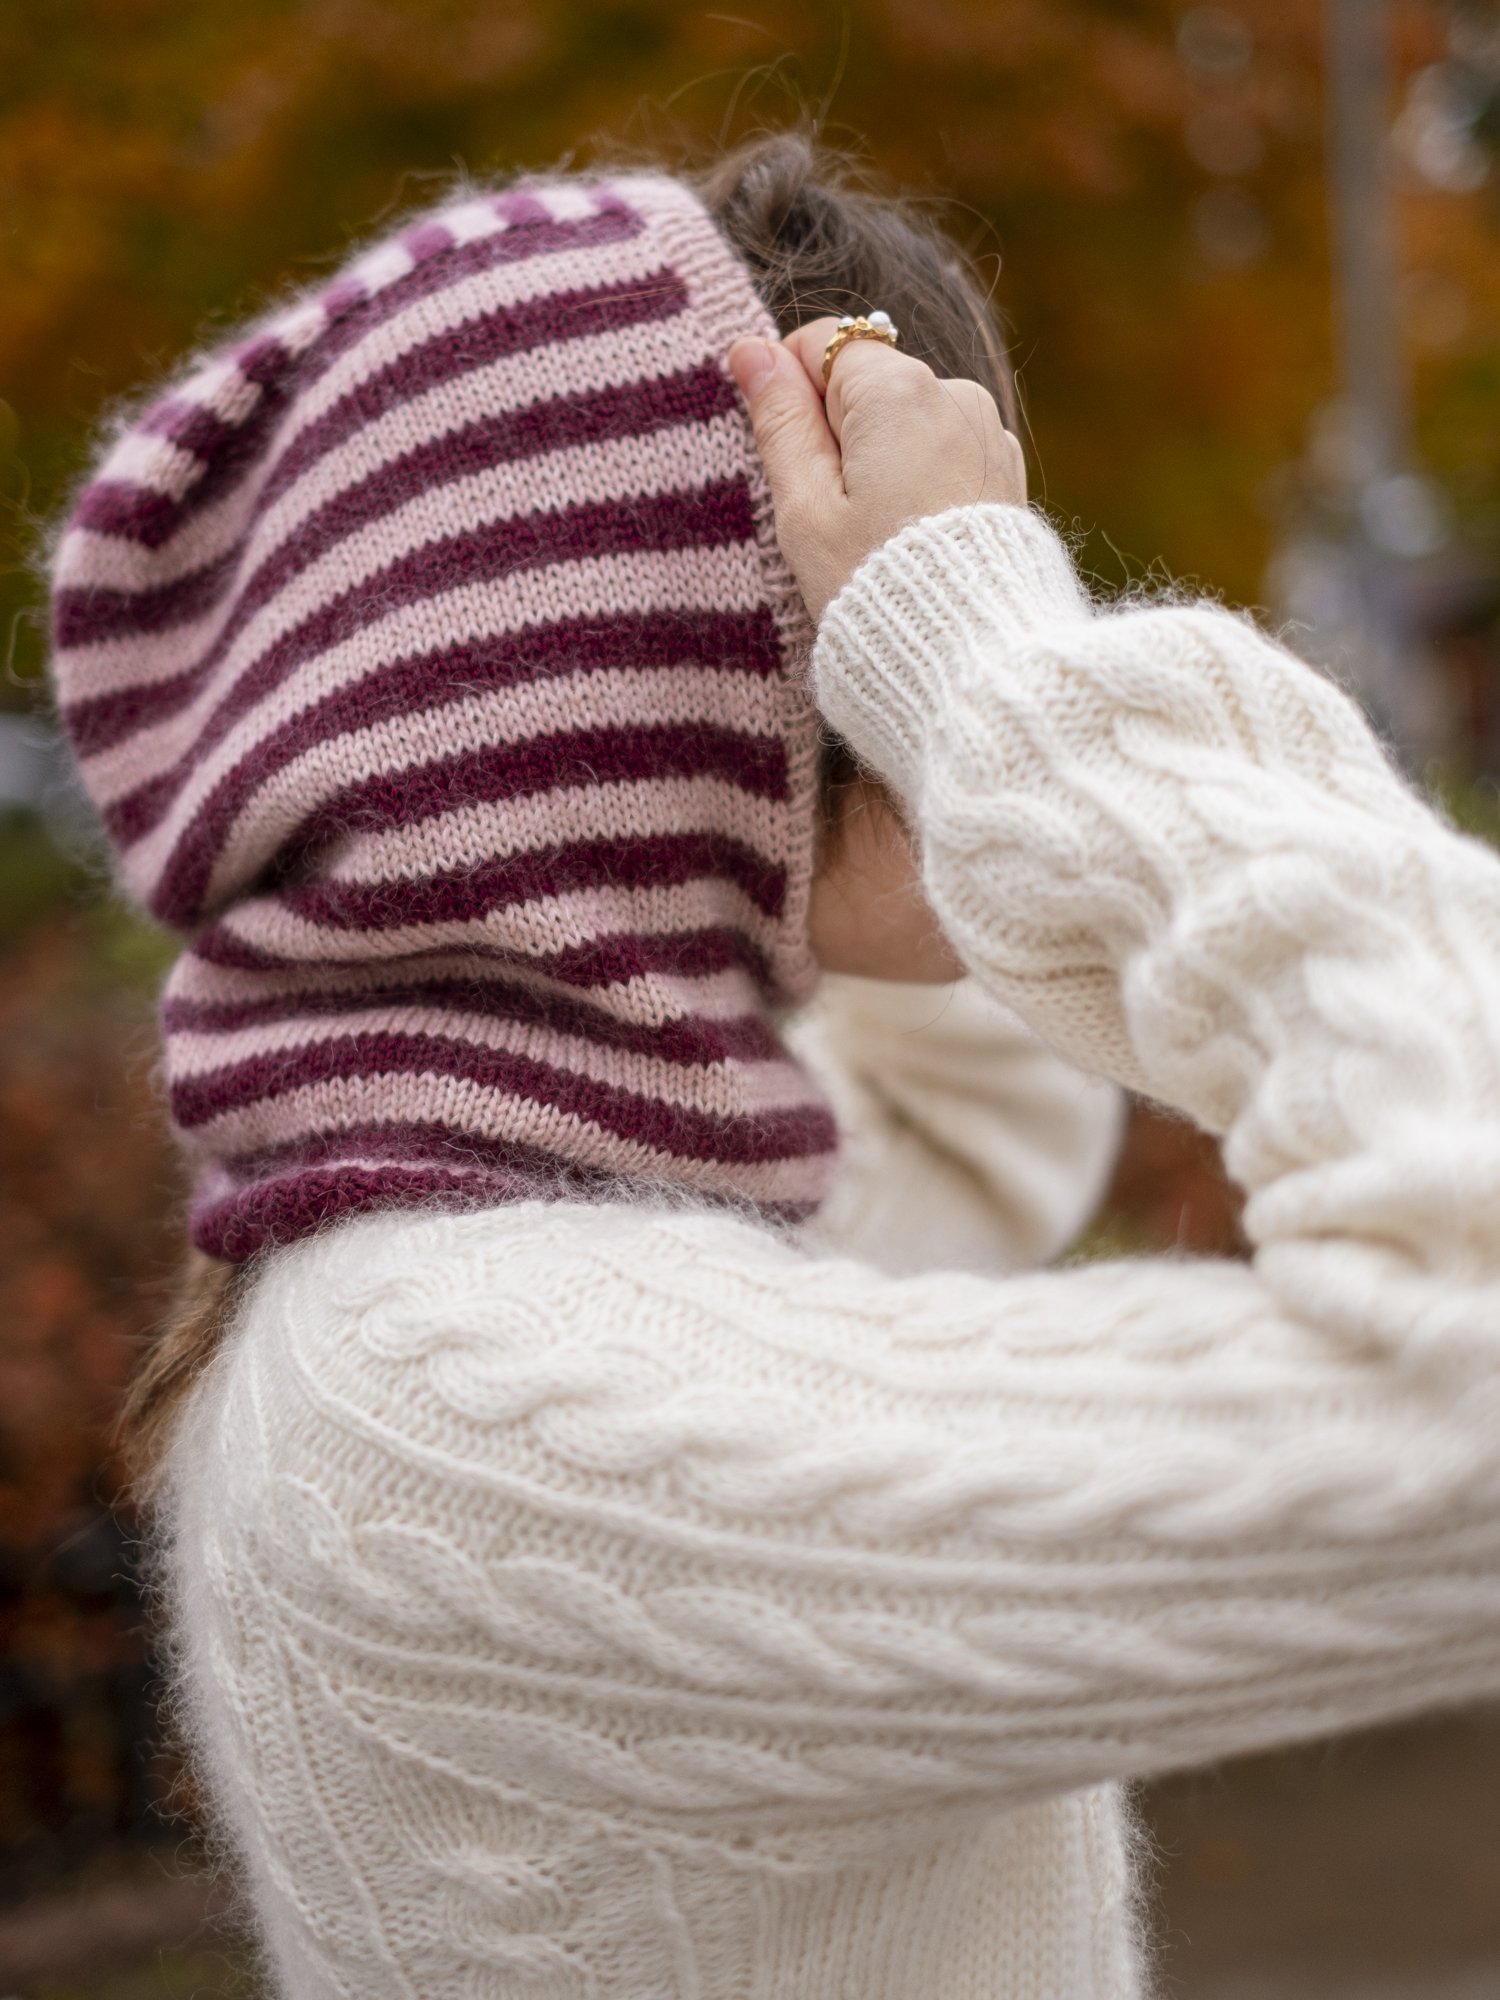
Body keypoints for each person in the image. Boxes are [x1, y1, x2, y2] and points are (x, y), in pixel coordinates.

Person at [48, 129, 1500, 1998]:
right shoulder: (488, 1412)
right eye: (863, 599)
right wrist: (987, 660)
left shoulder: (486, 1245)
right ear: (678, 719)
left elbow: (959, 1120)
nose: (992, 584)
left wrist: (949, 715)